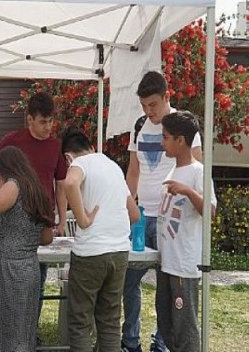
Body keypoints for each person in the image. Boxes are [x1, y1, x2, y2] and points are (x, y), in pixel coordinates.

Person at [122, 71, 203, 352]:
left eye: (153, 105)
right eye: (144, 106)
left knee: (166, 285)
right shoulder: (139, 125)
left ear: (167, 96)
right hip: (142, 214)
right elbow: (133, 170)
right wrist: (128, 205)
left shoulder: (182, 126)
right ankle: (130, 339)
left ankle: (162, 341)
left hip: (171, 218)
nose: (149, 111)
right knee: (128, 278)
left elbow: (195, 168)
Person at [0, 91, 67, 331]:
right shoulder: (14, 140)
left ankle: (30, 329)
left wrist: (63, 218)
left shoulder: (55, 146)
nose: (48, 127)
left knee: (39, 278)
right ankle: (7, 330)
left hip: (42, 219)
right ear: (30, 119)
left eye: (51, 121)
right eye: (43, 121)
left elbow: (61, 183)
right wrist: (2, 190)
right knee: (12, 279)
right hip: (16, 219)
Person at [61, 129, 139, 352]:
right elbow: (134, 215)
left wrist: (83, 220)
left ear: (68, 157)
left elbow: (69, 184)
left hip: (90, 253)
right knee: (109, 322)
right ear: (92, 147)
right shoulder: (112, 166)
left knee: (80, 322)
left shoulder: (79, 164)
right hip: (119, 251)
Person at [0, 146, 54, 352]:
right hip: (29, 266)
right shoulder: (35, 188)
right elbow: (47, 237)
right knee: (23, 332)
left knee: (5, 332)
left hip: (10, 268)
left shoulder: (14, 185)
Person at [156, 111, 215, 352]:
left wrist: (189, 192)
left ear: (181, 140)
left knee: (185, 327)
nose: (162, 142)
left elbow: (210, 212)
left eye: (166, 137)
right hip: (167, 261)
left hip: (184, 264)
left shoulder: (199, 171)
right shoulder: (172, 171)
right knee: (165, 322)